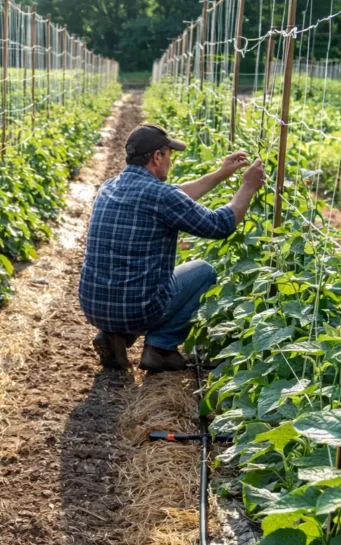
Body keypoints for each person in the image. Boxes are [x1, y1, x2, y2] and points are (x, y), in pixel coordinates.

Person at [78, 123, 266, 373]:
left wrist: (221, 174)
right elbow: (220, 225)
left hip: (94, 306)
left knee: (127, 279)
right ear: (157, 156)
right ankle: (161, 348)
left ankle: (115, 335)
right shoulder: (161, 197)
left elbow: (175, 195)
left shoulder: (109, 187)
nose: (170, 161)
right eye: (169, 154)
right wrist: (248, 187)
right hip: (137, 309)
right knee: (204, 272)